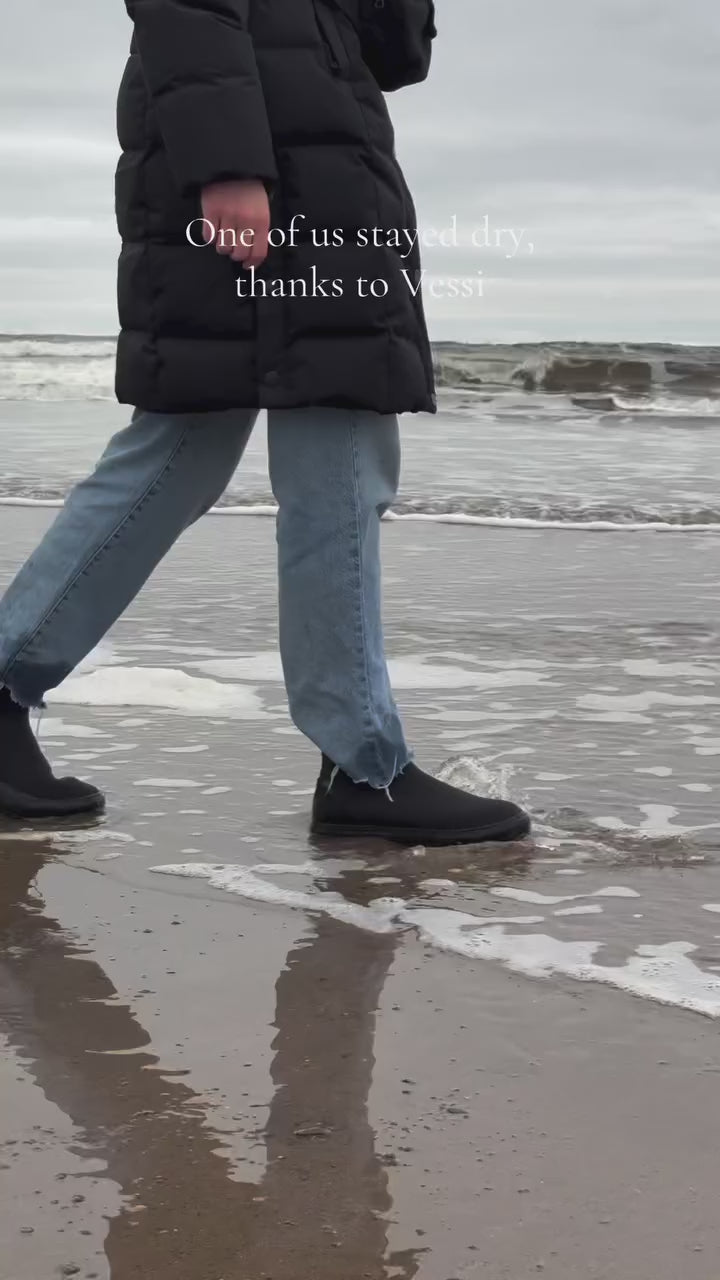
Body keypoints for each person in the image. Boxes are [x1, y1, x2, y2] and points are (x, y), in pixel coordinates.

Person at [0, 0, 531, 846]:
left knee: (195, 450)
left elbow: (394, 54)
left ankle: (358, 761)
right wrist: (228, 165)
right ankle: (363, 765)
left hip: (329, 181)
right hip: (253, 182)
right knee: (289, 448)